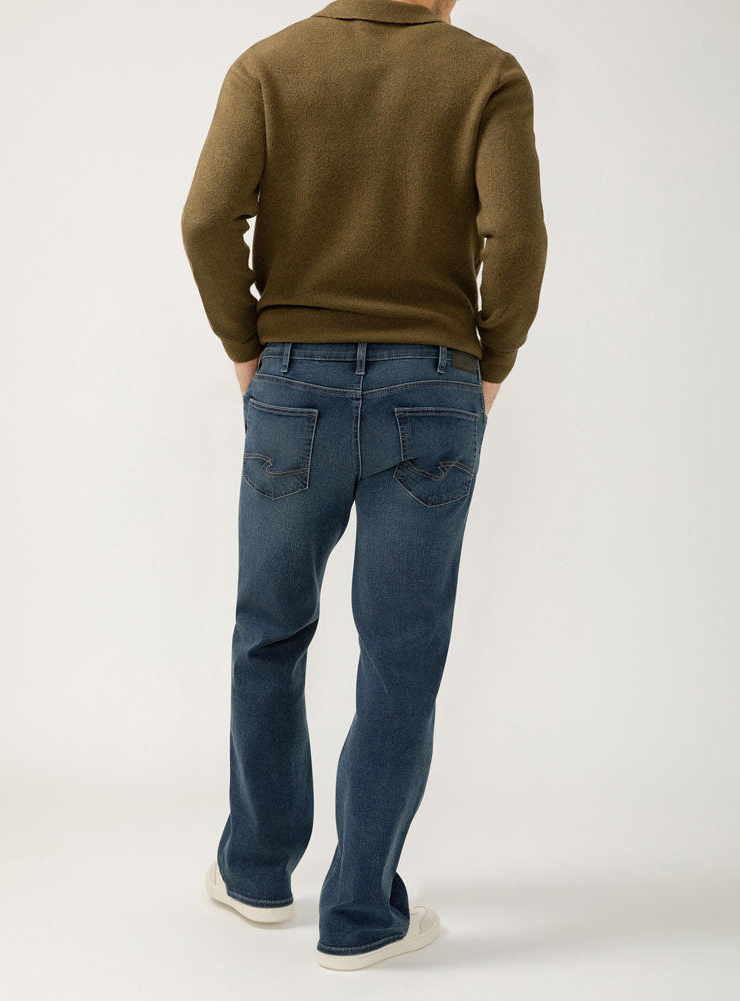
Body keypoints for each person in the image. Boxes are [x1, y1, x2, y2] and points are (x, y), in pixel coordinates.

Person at [181, 0, 547, 971]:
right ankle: (359, 915)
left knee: (269, 630)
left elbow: (206, 219)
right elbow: (516, 239)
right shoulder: (485, 74)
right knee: (401, 653)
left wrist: (246, 347)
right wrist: (490, 362)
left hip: (291, 383)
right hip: (432, 387)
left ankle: (256, 873)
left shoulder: (269, 66)